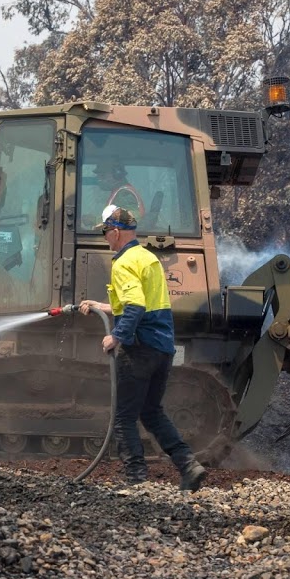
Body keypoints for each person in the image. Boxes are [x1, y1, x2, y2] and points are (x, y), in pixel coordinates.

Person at [79, 205, 207, 491]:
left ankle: (136, 482)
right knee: (151, 412)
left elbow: (135, 305)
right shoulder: (147, 258)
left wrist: (117, 336)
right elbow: (139, 303)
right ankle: (189, 465)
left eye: (104, 232)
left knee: (124, 417)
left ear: (115, 231)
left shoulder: (123, 263)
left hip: (139, 350)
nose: (104, 238)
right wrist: (100, 306)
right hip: (162, 348)